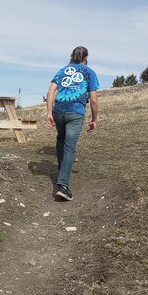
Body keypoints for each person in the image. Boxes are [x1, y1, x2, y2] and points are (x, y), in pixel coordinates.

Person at [46, 46, 99, 201]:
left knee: (61, 139)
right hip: (75, 112)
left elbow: (50, 92)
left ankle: (62, 172)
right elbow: (94, 99)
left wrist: (49, 113)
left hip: (58, 111)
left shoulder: (62, 70)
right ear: (86, 58)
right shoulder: (89, 72)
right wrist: (94, 119)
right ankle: (63, 186)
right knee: (69, 147)